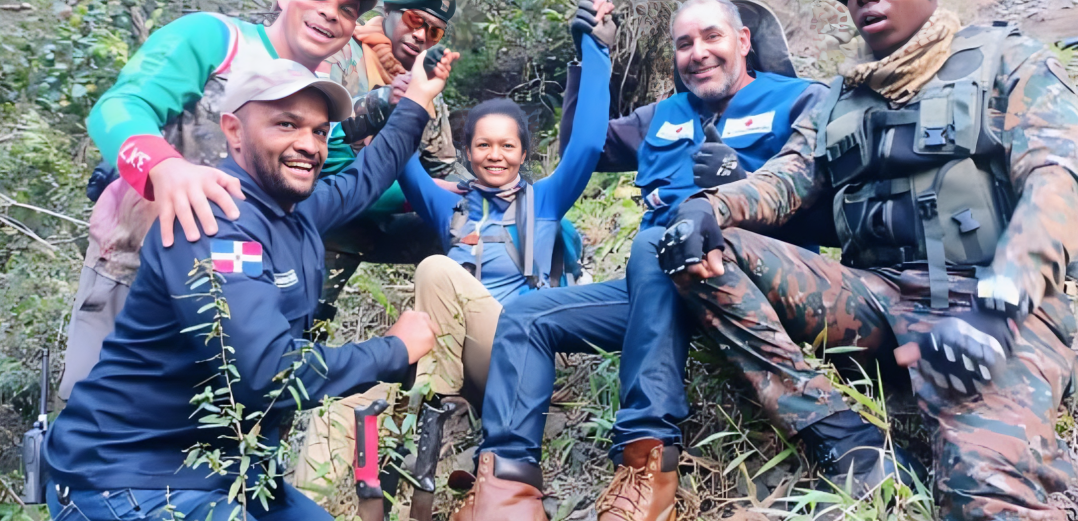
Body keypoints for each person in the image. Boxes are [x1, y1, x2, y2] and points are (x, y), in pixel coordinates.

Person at [657, 0, 1078, 518]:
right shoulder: (838, 98)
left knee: (984, 492)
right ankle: (845, 439)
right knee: (706, 251)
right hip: (876, 298)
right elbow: (785, 179)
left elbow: (1058, 183)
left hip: (990, 307)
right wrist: (709, 207)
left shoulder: (1009, 60)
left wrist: (1000, 303)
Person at [453, 1, 830, 519]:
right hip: (657, 289)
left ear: (743, 41)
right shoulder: (661, 116)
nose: (698, 53)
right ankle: (507, 485)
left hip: (751, 283)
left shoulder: (801, 99)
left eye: (712, 37)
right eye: (684, 44)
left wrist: (740, 185)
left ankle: (647, 459)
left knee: (656, 242)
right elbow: (583, 146)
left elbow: (832, 206)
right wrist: (589, 55)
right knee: (525, 316)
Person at [43, 51, 459, 521]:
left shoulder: (291, 210)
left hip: (230, 472)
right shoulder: (214, 221)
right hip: (130, 478)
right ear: (234, 130)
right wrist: (393, 350)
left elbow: (365, 178)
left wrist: (417, 99)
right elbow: (267, 372)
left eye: (320, 132)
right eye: (286, 125)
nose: (309, 144)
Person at [58, 0, 374, 401]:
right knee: (97, 409)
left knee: (216, 420)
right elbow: (120, 106)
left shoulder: (321, 100)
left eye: (347, 9)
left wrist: (427, 193)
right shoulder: (217, 39)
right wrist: (165, 167)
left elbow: (342, 181)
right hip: (132, 270)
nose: (330, 12)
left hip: (243, 294)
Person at [397, 0, 613, 411]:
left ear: (523, 154)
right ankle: (435, 404)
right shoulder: (450, 207)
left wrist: (595, 49)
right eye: (483, 145)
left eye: (507, 146)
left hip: (517, 353)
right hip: (456, 354)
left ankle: (433, 408)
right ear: (467, 153)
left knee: (434, 267)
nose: (495, 155)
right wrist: (407, 97)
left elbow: (586, 144)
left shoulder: (545, 201)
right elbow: (400, 160)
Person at [316, 0, 462, 317]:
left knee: (473, 228)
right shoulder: (339, 54)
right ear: (388, 11)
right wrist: (384, 101)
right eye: (413, 19)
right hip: (326, 216)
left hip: (383, 220)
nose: (420, 35)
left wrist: (482, 191)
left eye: (434, 32)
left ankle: (456, 330)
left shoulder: (425, 79)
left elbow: (444, 166)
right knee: (306, 316)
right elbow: (316, 140)